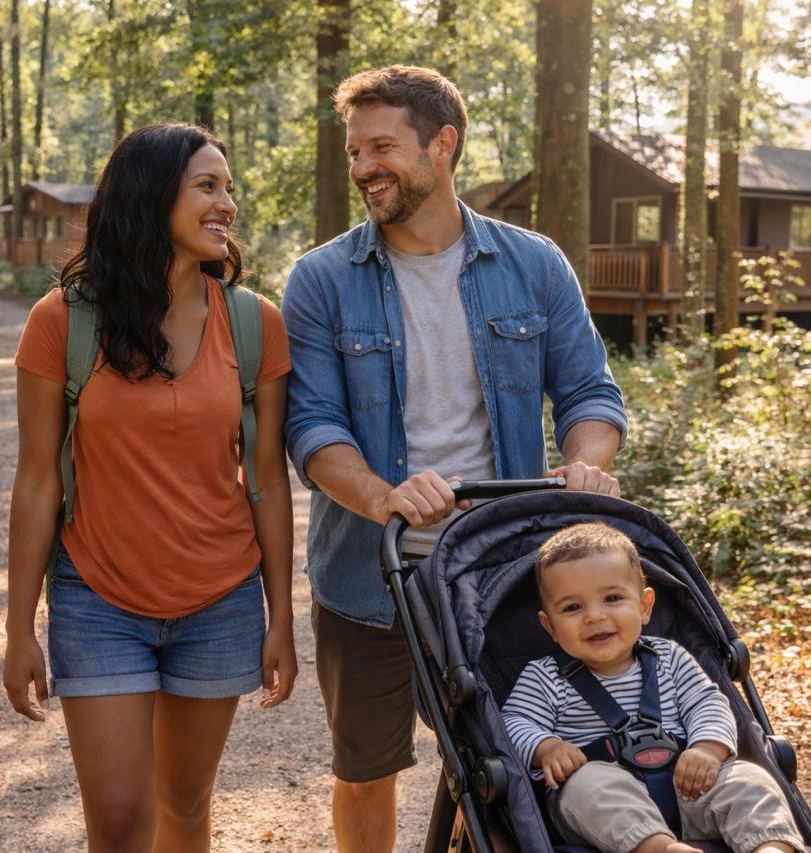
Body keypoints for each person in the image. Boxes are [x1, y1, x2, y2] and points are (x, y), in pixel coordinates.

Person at [281, 65, 628, 852]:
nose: (363, 166)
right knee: (366, 770)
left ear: (443, 145)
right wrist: (384, 496)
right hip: (369, 576)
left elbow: (590, 396)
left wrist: (584, 462)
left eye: (381, 146)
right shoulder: (322, 279)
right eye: (353, 150)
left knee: (505, 761)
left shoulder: (534, 264)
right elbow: (312, 427)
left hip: (504, 569)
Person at [2, 122, 297, 853]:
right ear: (150, 196)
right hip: (97, 601)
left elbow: (266, 480)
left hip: (219, 601)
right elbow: (37, 481)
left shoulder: (256, 324)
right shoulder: (63, 321)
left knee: (185, 804)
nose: (226, 202)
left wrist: (282, 614)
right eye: (207, 186)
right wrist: (17, 629)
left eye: (229, 187)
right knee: (122, 820)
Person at [501, 523, 804, 853]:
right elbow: (514, 722)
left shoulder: (669, 657)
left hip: (688, 788)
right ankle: (658, 848)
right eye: (573, 607)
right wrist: (548, 747)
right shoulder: (545, 677)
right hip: (604, 815)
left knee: (748, 780)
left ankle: (769, 846)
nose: (594, 616)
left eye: (612, 598)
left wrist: (707, 748)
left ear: (644, 606)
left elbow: (707, 703)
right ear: (550, 627)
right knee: (586, 785)